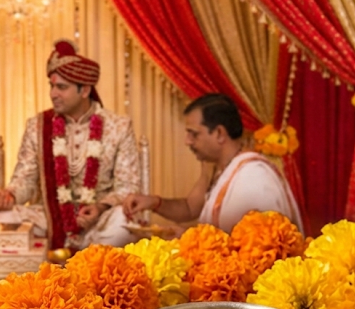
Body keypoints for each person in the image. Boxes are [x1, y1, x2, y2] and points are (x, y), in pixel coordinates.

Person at [0, 40, 140, 251]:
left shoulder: (118, 126)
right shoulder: (37, 126)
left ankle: (90, 262)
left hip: (99, 219)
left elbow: (129, 187)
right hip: (49, 218)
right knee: (1, 217)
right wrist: (10, 195)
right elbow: (25, 180)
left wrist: (100, 207)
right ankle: (85, 255)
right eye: (52, 86)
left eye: (61, 87)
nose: (53, 94)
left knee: (124, 221)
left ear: (85, 90)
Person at [123, 93, 304, 234]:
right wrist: (153, 202)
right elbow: (190, 207)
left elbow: (257, 250)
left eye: (194, 134)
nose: (187, 141)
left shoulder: (254, 177)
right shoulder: (217, 168)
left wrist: (189, 240)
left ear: (219, 133)